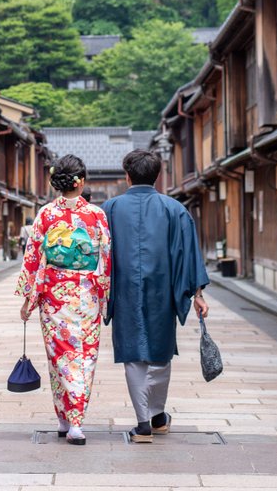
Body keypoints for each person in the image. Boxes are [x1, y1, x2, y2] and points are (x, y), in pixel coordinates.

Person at [101, 149, 210, 443]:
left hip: (124, 291)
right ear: (158, 175)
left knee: (134, 355)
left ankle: (144, 423)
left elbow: (98, 256)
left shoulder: (109, 209)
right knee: (160, 354)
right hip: (163, 292)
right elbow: (188, 255)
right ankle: (158, 415)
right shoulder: (174, 210)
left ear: (127, 175)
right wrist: (197, 294)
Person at [16, 155, 111, 446]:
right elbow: (105, 257)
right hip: (86, 295)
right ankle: (74, 423)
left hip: (54, 296)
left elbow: (32, 258)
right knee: (83, 357)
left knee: (59, 357)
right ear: (80, 181)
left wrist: (27, 299)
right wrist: (104, 293)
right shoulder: (96, 215)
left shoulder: (45, 214)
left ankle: (64, 418)